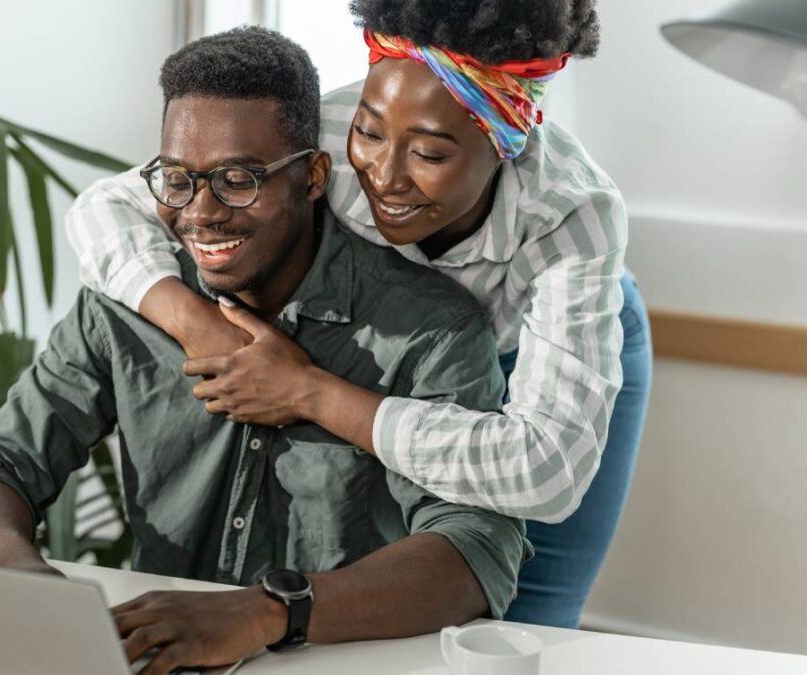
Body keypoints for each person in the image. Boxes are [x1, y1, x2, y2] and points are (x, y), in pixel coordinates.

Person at [0, 26, 528, 675]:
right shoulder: (125, 305)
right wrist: (25, 583)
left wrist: (267, 611)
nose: (201, 212)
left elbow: (473, 552)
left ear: (314, 176)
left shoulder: (430, 327)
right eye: (177, 180)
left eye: (239, 179)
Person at [65, 0, 653, 629]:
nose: (383, 177)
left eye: (428, 154)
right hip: (405, 354)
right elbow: (106, 209)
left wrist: (309, 393)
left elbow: (546, 470)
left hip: (530, 358)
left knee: (528, 626)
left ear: (506, 142)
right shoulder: (324, 132)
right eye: (370, 135)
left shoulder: (571, 209)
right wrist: (203, 328)